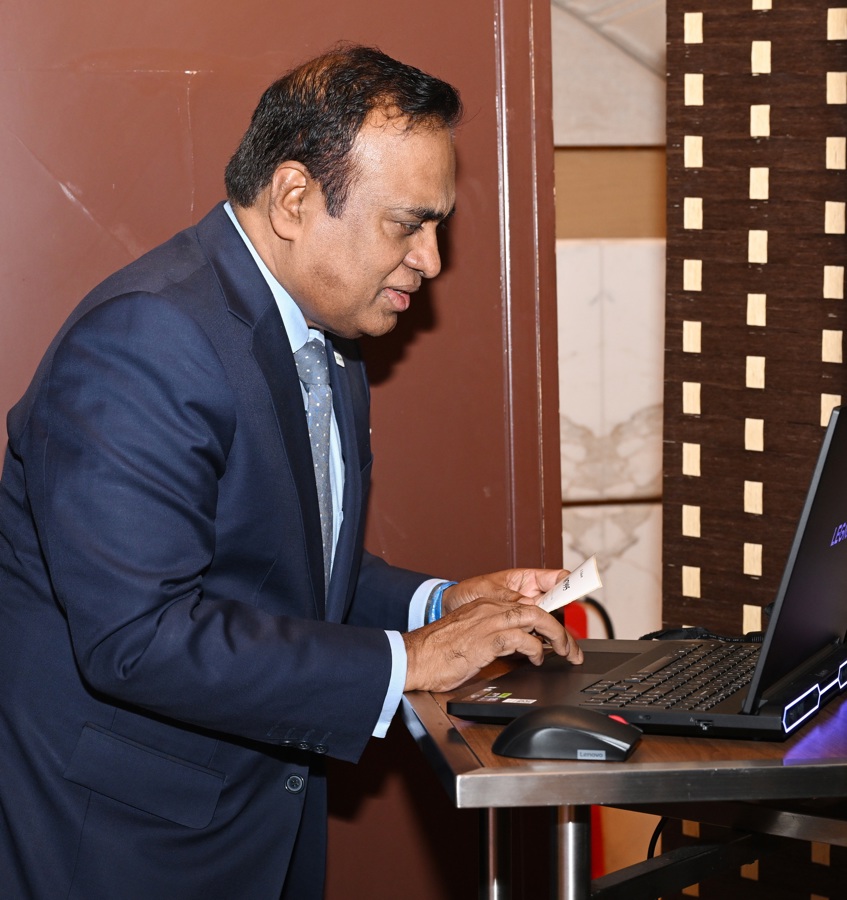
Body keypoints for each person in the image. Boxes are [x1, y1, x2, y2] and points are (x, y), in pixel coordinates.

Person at [0, 44, 582, 899]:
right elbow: (139, 639)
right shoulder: (143, 342)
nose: (431, 260)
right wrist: (407, 660)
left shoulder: (324, 326)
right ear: (294, 199)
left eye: (438, 228)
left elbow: (281, 566)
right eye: (407, 224)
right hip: (125, 849)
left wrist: (437, 605)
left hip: (254, 827)